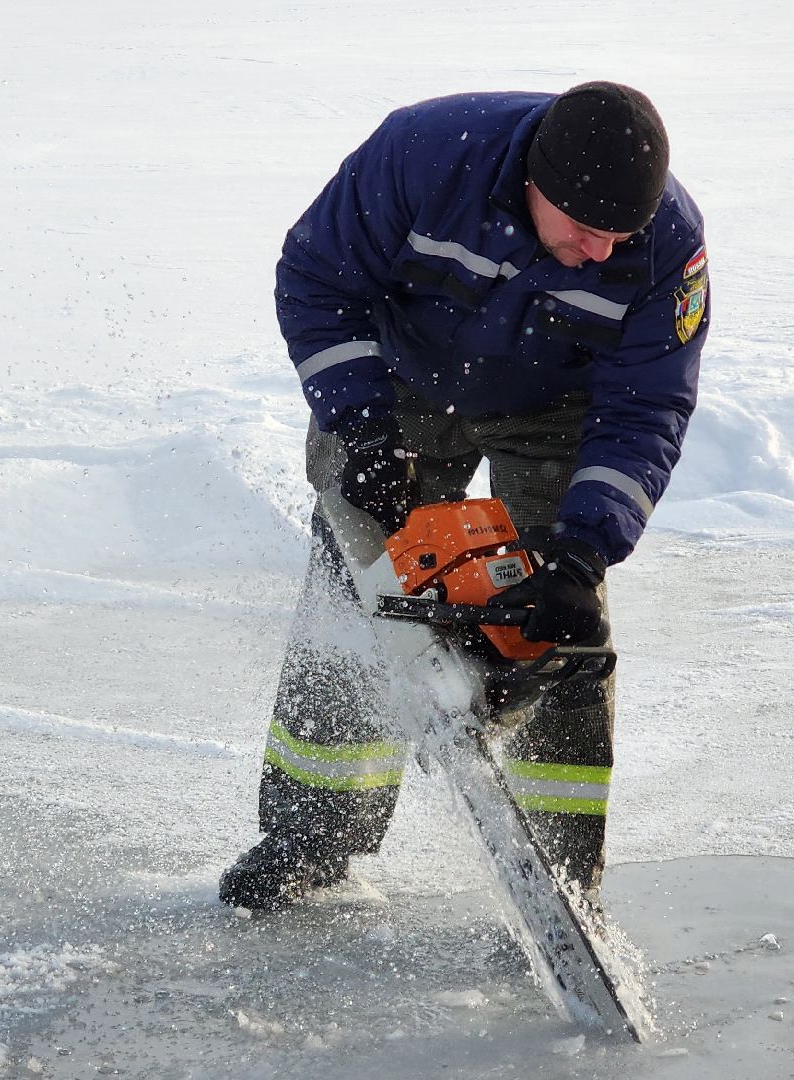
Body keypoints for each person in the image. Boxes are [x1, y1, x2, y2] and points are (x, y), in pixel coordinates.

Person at [219, 82, 709, 912]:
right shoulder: (423, 152)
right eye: (584, 230)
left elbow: (648, 404)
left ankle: (562, 878)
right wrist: (364, 429)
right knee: (357, 592)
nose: (600, 251)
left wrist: (584, 551)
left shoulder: (667, 244)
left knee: (561, 625)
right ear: (534, 183)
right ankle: (310, 840)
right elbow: (314, 279)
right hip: (397, 385)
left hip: (558, 407)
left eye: (616, 236)